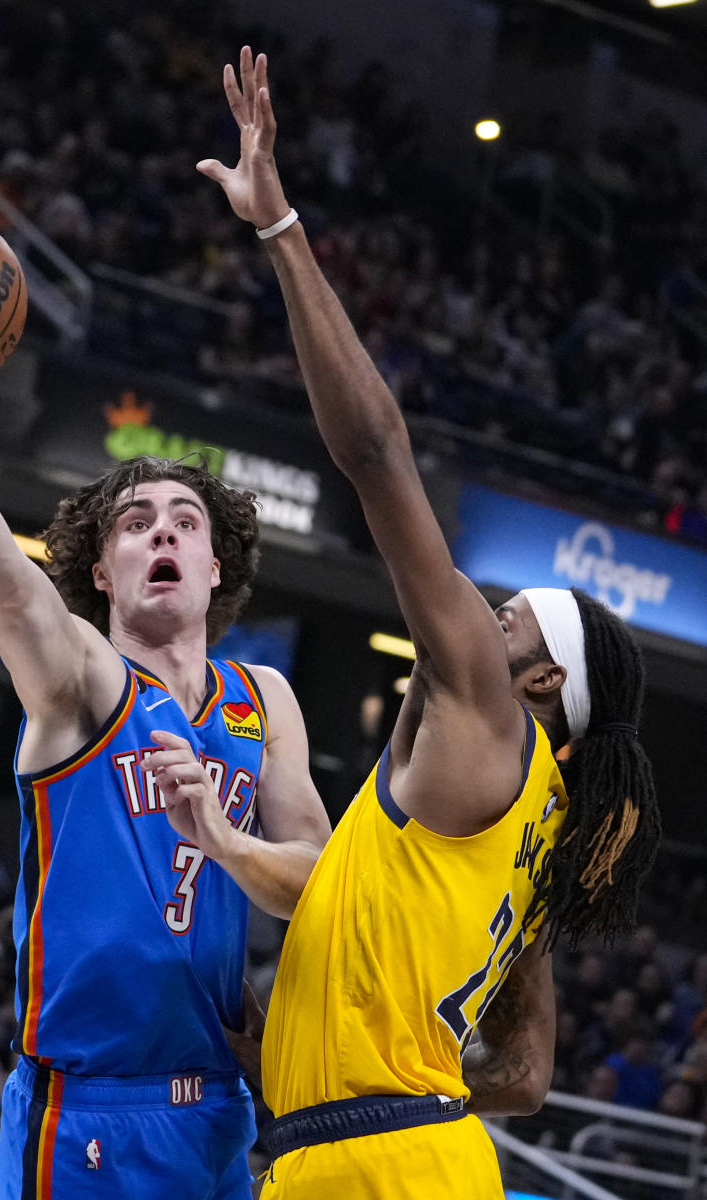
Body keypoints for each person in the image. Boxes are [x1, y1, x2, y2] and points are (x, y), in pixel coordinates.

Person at [198, 47, 661, 1197]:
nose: (479, 618)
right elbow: (529, 1071)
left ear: (542, 685)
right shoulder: (541, 838)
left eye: (511, 622)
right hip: (401, 1149)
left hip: (374, 1160)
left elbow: (373, 454)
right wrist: (359, 1037)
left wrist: (279, 230)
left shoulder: (486, 717)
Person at [0, 315, 331, 1199]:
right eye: (136, 525)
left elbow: (320, 881)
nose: (164, 535)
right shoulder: (86, 682)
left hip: (218, 1113)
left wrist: (226, 841)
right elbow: (8, 590)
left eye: (186, 523)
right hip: (89, 1114)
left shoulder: (265, 701)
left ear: (218, 565)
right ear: (102, 573)